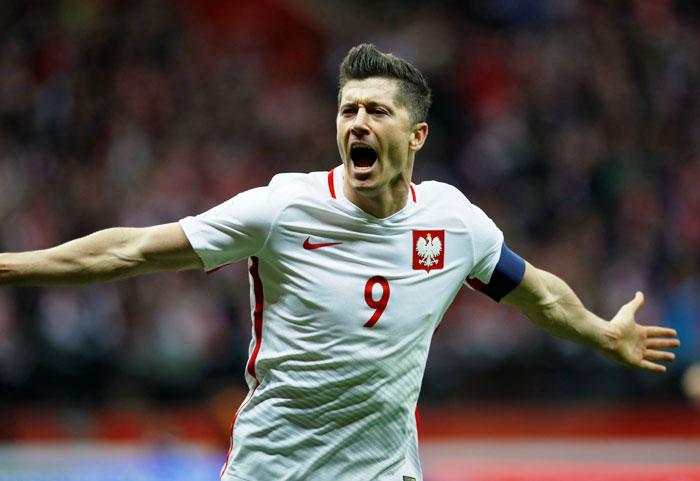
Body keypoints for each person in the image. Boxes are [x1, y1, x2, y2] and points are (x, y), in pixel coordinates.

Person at [0, 44, 680, 481]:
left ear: (415, 135)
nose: (356, 121)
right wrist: (9, 266)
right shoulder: (284, 208)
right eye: (347, 108)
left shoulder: (453, 221)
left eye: (375, 110)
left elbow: (535, 292)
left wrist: (599, 330)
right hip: (272, 471)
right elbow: (132, 248)